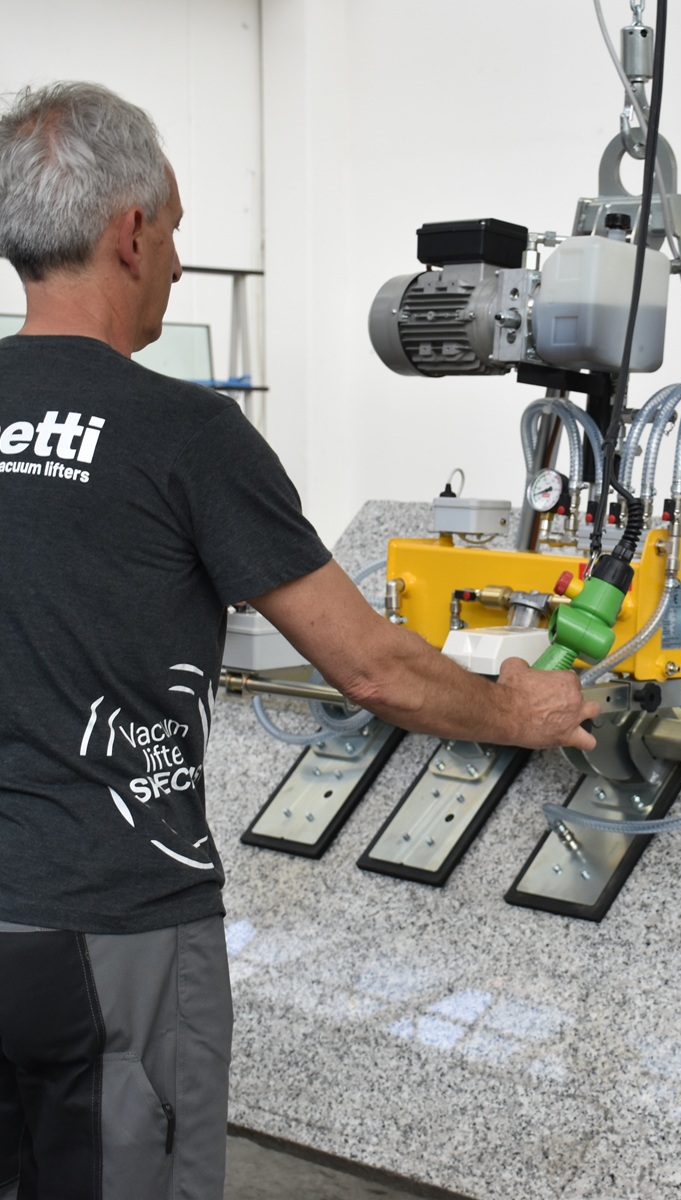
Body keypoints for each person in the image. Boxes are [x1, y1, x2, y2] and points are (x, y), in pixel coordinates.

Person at [0, 82, 598, 1200]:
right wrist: (517, 710)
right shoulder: (184, 431)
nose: (178, 265)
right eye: (174, 234)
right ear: (130, 232)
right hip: (113, 928)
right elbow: (369, 666)